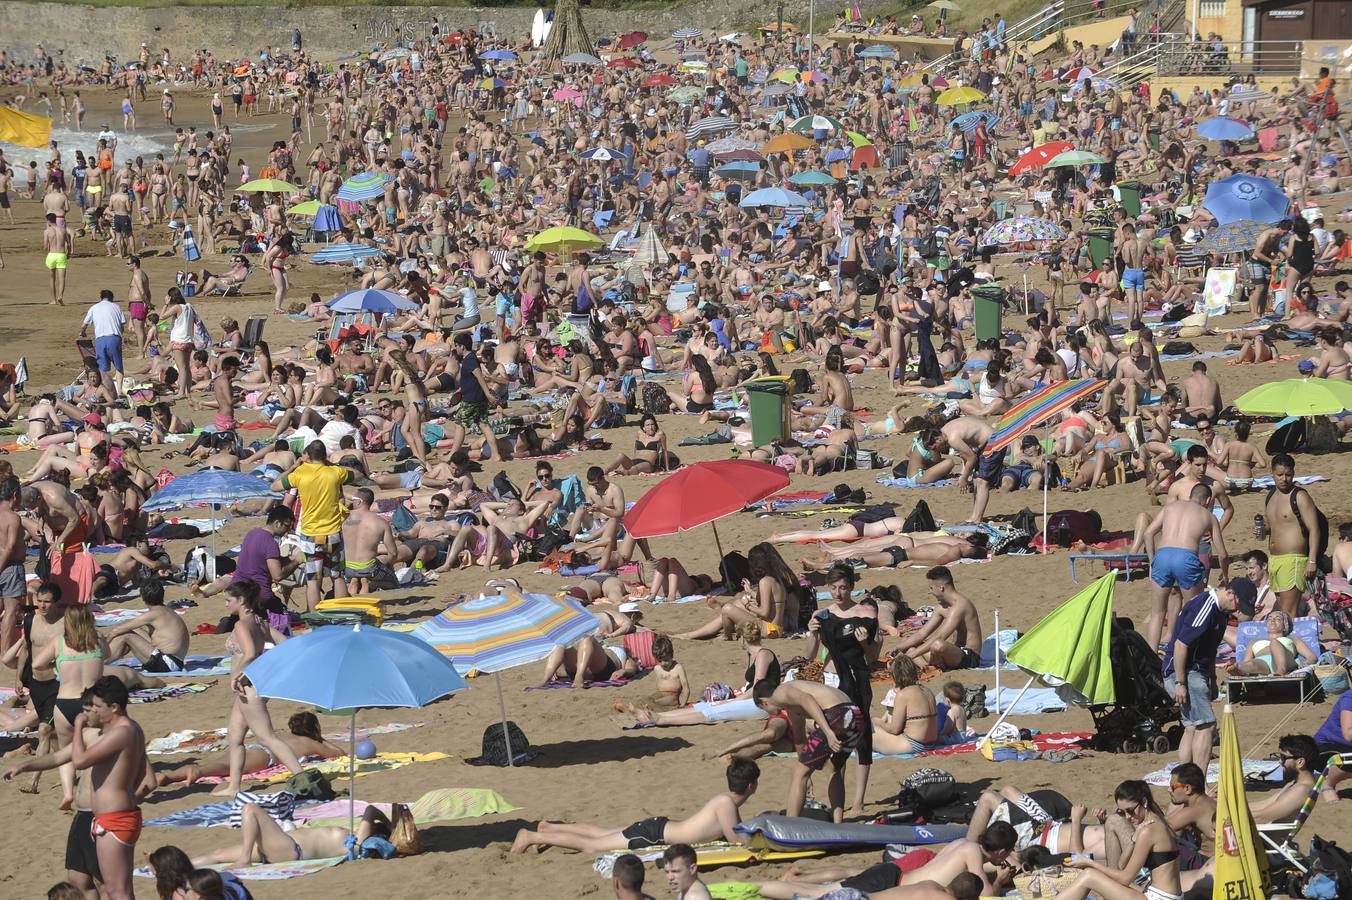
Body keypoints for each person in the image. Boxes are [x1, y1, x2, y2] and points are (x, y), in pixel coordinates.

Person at [509, 759, 759, 853]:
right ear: (751, 786)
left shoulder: (724, 801)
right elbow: (737, 842)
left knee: (601, 833)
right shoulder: (726, 804)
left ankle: (549, 829)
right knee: (593, 845)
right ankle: (531, 835)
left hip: (657, 828)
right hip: (654, 836)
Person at [212, 582, 305, 798]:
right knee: (235, 737)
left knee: (266, 737)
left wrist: (236, 675)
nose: (226, 604)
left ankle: (303, 778)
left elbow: (250, 652)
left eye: (228, 600)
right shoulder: (260, 622)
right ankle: (234, 786)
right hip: (251, 686)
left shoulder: (241, 625)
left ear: (241, 600)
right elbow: (285, 644)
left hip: (248, 686)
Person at [808, 563, 876, 816]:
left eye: (844, 588)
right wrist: (812, 635)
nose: (838, 593)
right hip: (831, 681)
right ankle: (838, 804)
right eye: (834, 588)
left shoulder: (865, 612)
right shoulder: (822, 616)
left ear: (852, 587)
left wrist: (864, 643)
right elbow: (810, 655)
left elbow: (871, 656)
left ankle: (858, 802)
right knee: (836, 740)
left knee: (862, 737)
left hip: (857, 681)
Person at [71, 676, 145, 900]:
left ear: (114, 707)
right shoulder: (133, 729)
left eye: (97, 706)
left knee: (116, 890)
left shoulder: (121, 732)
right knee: (121, 888)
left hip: (115, 818)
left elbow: (79, 761)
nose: (92, 710)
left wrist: (77, 727)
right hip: (119, 815)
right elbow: (141, 773)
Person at [753, 679, 863, 823]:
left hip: (838, 714)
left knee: (797, 773)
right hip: (856, 716)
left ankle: (790, 827)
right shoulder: (792, 707)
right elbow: (799, 740)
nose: (769, 714)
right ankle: (838, 824)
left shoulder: (780, 692)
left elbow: (807, 699)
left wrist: (828, 732)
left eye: (764, 710)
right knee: (833, 768)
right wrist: (806, 774)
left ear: (763, 702)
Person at [1140, 483, 1229, 650]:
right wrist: (1226, 576)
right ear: (1208, 500)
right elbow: (1223, 554)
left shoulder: (1170, 507)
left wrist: (1152, 561)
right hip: (1186, 557)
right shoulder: (1208, 516)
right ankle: (1188, 652)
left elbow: (1148, 533)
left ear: (1190, 495)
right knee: (1193, 611)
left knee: (1157, 613)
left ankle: (1151, 657)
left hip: (1163, 554)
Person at [1058, 780, 1182, 900]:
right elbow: (1122, 865)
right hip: (1159, 893)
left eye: (1130, 811)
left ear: (1144, 802)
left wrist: (1088, 863)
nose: (1128, 817)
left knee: (1088, 876)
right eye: (1122, 812)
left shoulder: (1148, 831)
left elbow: (1125, 878)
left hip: (1160, 897)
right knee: (1103, 878)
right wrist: (1133, 840)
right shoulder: (1154, 822)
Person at [1163, 580, 1238, 767]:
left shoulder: (1222, 613)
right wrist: (1180, 683)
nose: (1238, 609)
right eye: (1239, 603)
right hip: (1184, 672)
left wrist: (1212, 679)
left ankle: (1183, 779)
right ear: (1229, 593)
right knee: (1206, 726)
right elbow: (1181, 644)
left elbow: (1210, 650)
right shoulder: (1205, 606)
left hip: (1195, 672)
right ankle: (1199, 786)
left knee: (1191, 727)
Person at [272, 440, 349, 611]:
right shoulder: (335, 472)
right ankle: (344, 616)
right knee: (338, 576)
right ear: (324, 455)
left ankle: (315, 620)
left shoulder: (300, 473)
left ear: (308, 455)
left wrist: (293, 467)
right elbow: (356, 475)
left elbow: (275, 485)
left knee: (313, 579)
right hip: (333, 531)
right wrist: (330, 464)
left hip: (310, 533)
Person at [1263, 453, 1324, 617]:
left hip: (1294, 560)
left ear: (1294, 474)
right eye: (1280, 475)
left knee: (1287, 613)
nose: (1284, 479)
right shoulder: (1270, 496)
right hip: (1274, 560)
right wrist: (1262, 530)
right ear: (1272, 473)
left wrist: (1312, 560)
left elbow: (1314, 529)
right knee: (1283, 609)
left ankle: (1289, 642)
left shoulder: (1300, 496)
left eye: (1288, 475)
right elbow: (1273, 527)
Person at [898, 566, 984, 670]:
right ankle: (926, 666)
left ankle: (931, 665)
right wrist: (898, 648)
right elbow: (922, 633)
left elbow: (941, 636)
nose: (930, 592)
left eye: (931, 588)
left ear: (941, 588)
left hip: (968, 657)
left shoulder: (960, 605)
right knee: (908, 642)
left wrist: (911, 656)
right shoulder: (942, 607)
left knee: (938, 645)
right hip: (952, 653)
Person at [102, 578, 190, 673]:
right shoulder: (166, 610)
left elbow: (116, 631)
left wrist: (105, 644)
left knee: (126, 635)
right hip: (175, 661)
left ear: (143, 597)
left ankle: (100, 663)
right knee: (134, 630)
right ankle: (108, 658)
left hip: (167, 663)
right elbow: (127, 625)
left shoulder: (153, 614)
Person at [80, 289, 126, 396]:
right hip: (114, 337)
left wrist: (82, 333)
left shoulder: (94, 307)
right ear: (112, 298)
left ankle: (105, 391)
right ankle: (119, 391)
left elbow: (84, 325)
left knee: (103, 370)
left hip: (100, 339)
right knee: (119, 367)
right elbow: (122, 325)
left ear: (101, 297)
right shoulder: (116, 307)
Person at [0, 476, 25, 658]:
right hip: (10, 567)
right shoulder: (12, 518)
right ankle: (5, 650)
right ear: (14, 495)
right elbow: (9, 547)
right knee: (11, 610)